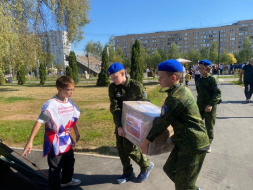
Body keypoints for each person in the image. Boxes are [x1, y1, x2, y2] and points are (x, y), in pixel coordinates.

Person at [140, 59, 209, 190]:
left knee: (183, 185)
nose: (158, 79)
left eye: (161, 77)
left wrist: (146, 142)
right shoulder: (180, 90)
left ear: (172, 78)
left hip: (193, 144)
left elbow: (162, 123)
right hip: (184, 141)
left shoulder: (175, 98)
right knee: (169, 169)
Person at [22, 76, 81, 190]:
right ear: (59, 89)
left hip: (66, 138)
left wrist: (76, 131)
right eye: (69, 90)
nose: (71, 92)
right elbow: (39, 122)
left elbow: (71, 118)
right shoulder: (51, 105)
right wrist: (30, 141)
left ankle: (66, 180)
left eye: (73, 89)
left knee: (69, 161)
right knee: (55, 167)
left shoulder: (69, 101)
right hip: (54, 140)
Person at [107, 62, 154, 184]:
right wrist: (119, 126)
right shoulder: (113, 88)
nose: (113, 80)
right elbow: (115, 107)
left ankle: (146, 165)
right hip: (121, 121)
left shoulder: (136, 86)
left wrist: (141, 125)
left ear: (123, 73)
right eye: (111, 78)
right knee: (121, 148)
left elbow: (145, 105)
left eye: (115, 77)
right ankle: (127, 172)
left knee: (130, 148)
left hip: (135, 122)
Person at [196, 60, 221, 153]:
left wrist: (210, 104)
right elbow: (199, 94)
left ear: (208, 69)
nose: (200, 70)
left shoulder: (213, 80)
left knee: (209, 125)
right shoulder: (199, 80)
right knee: (197, 124)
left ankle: (208, 144)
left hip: (210, 107)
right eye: (199, 68)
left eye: (202, 68)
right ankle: (199, 141)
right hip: (200, 106)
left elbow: (218, 94)